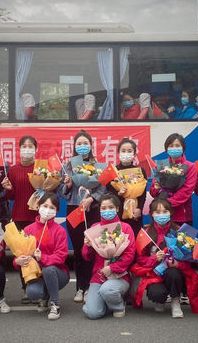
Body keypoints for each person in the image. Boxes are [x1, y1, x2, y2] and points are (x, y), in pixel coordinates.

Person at [131, 198, 198, 318]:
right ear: (152, 214)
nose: (161, 215)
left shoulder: (181, 231)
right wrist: (155, 258)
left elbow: (191, 259)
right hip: (154, 274)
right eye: (157, 212)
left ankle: (176, 302)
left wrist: (177, 264)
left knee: (173, 273)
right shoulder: (146, 234)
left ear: (171, 213)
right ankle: (160, 299)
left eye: (165, 211)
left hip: (175, 273)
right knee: (157, 294)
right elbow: (140, 260)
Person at [58, 130, 106, 303]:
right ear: (74, 146)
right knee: (79, 250)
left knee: (93, 248)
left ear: (91, 146)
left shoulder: (100, 166)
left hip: (93, 210)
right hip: (74, 209)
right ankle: (80, 287)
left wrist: (92, 198)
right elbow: (62, 193)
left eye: (85, 143)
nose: (82, 146)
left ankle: (91, 287)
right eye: (79, 143)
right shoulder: (67, 166)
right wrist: (69, 185)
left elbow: (103, 188)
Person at [16, 192, 70, 320]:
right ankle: (45, 296)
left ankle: (55, 304)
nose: (47, 210)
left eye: (52, 208)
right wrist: (17, 261)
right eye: (45, 206)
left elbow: (61, 256)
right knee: (33, 292)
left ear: (57, 211)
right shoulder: (28, 230)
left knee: (48, 269)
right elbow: (19, 253)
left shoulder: (59, 230)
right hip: (36, 274)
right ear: (38, 207)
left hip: (58, 273)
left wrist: (43, 258)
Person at [82, 193, 136, 319]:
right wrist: (88, 246)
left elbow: (129, 255)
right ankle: (102, 303)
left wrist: (112, 268)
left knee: (107, 291)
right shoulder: (95, 228)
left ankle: (118, 306)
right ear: (99, 210)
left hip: (119, 276)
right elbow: (86, 257)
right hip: (99, 276)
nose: (107, 211)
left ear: (117, 208)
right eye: (104, 208)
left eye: (111, 207)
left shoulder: (125, 228)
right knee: (93, 313)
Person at [2, 135, 39, 303]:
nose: (27, 149)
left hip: (37, 216)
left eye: (30, 146)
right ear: (19, 149)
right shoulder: (13, 170)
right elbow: (11, 195)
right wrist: (8, 188)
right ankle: (25, 287)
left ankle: (38, 287)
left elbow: (47, 190)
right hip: (19, 216)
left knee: (37, 252)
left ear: (36, 149)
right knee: (22, 253)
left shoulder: (40, 168)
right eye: (24, 146)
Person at [150, 133, 196, 225]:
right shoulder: (162, 166)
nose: (174, 148)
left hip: (182, 215)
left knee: (183, 239)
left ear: (183, 147)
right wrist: (156, 188)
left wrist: (166, 204)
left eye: (177, 145)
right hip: (162, 215)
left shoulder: (190, 166)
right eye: (171, 146)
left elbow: (186, 191)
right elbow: (152, 191)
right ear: (166, 149)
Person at [106, 138, 147, 235]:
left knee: (136, 239)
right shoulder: (112, 171)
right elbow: (108, 193)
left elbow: (143, 194)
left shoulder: (140, 171)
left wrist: (139, 209)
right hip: (118, 213)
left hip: (135, 213)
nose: (126, 153)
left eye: (129, 151)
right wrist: (118, 193)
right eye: (123, 151)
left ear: (134, 153)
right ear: (118, 153)